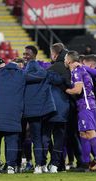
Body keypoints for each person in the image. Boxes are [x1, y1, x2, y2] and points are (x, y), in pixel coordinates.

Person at [0, 61, 45, 174]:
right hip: (14, 110)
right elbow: (41, 76)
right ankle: (11, 166)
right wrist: (36, 65)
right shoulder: (22, 74)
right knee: (12, 138)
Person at [65, 51, 96, 172]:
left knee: (90, 133)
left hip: (86, 105)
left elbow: (78, 90)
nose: (64, 61)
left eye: (65, 59)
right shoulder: (80, 70)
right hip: (85, 105)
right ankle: (84, 164)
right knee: (83, 134)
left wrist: (65, 89)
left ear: (69, 60)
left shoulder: (77, 71)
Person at [22, 45, 56, 174]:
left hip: (34, 111)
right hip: (47, 109)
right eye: (24, 54)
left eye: (27, 54)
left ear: (34, 55)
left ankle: (38, 165)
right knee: (44, 139)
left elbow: (24, 77)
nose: (25, 56)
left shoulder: (29, 68)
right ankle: (44, 165)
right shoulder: (44, 70)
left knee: (36, 138)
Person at [42, 43, 71, 173]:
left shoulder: (49, 70)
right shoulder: (70, 67)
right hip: (65, 108)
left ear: (54, 54)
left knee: (45, 136)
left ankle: (41, 164)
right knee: (60, 137)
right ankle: (56, 165)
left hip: (49, 108)